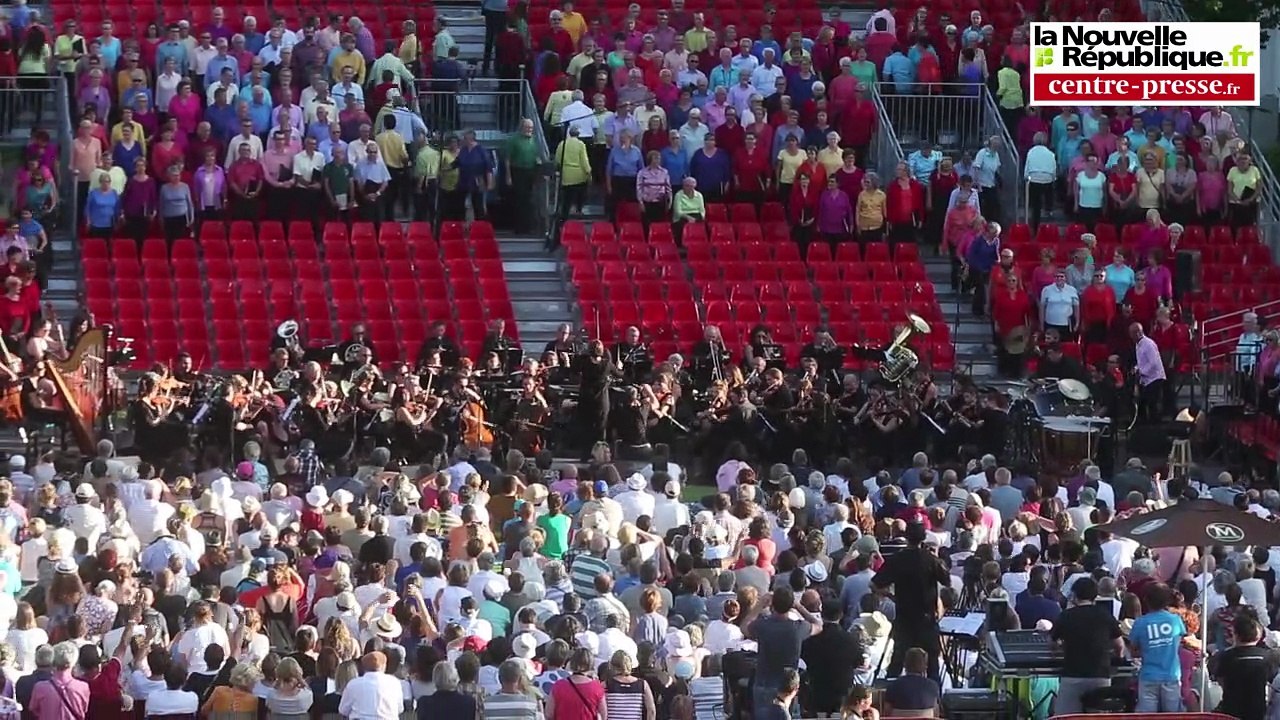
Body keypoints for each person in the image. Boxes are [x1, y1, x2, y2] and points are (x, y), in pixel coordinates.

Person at [872, 521, 948, 679]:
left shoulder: (897, 559)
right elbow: (947, 581)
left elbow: (874, 584)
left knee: (897, 661)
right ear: (923, 538)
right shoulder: (930, 559)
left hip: (904, 617)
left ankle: (890, 694)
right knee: (932, 664)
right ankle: (936, 698)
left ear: (906, 537)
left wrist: (891, 596)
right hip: (926, 618)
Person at [1049, 576, 1124, 714]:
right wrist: (1118, 659)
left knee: (1066, 716)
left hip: (1073, 674)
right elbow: (1119, 645)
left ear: (1075, 594)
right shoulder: (1105, 615)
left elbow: (1053, 643)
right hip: (1100, 674)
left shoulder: (1066, 615)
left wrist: (1059, 649)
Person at [746, 587, 822, 717]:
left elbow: (744, 627)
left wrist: (759, 605)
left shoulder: (763, 625)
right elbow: (818, 625)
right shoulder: (798, 628)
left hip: (764, 683)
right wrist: (798, 606)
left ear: (773, 605)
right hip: (788, 687)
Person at [1130, 583, 1196, 713]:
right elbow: (1180, 642)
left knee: (1147, 716)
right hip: (1171, 675)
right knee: (1172, 715)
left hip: (1149, 675)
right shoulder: (1175, 620)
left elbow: (1133, 651)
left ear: (1146, 600)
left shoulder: (1140, 623)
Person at [1210, 613, 1277, 720]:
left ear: (1235, 634)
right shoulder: (1266, 656)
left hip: (1231, 709)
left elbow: (1220, 679)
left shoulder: (1226, 656)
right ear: (1258, 635)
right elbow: (1271, 680)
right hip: (1257, 709)